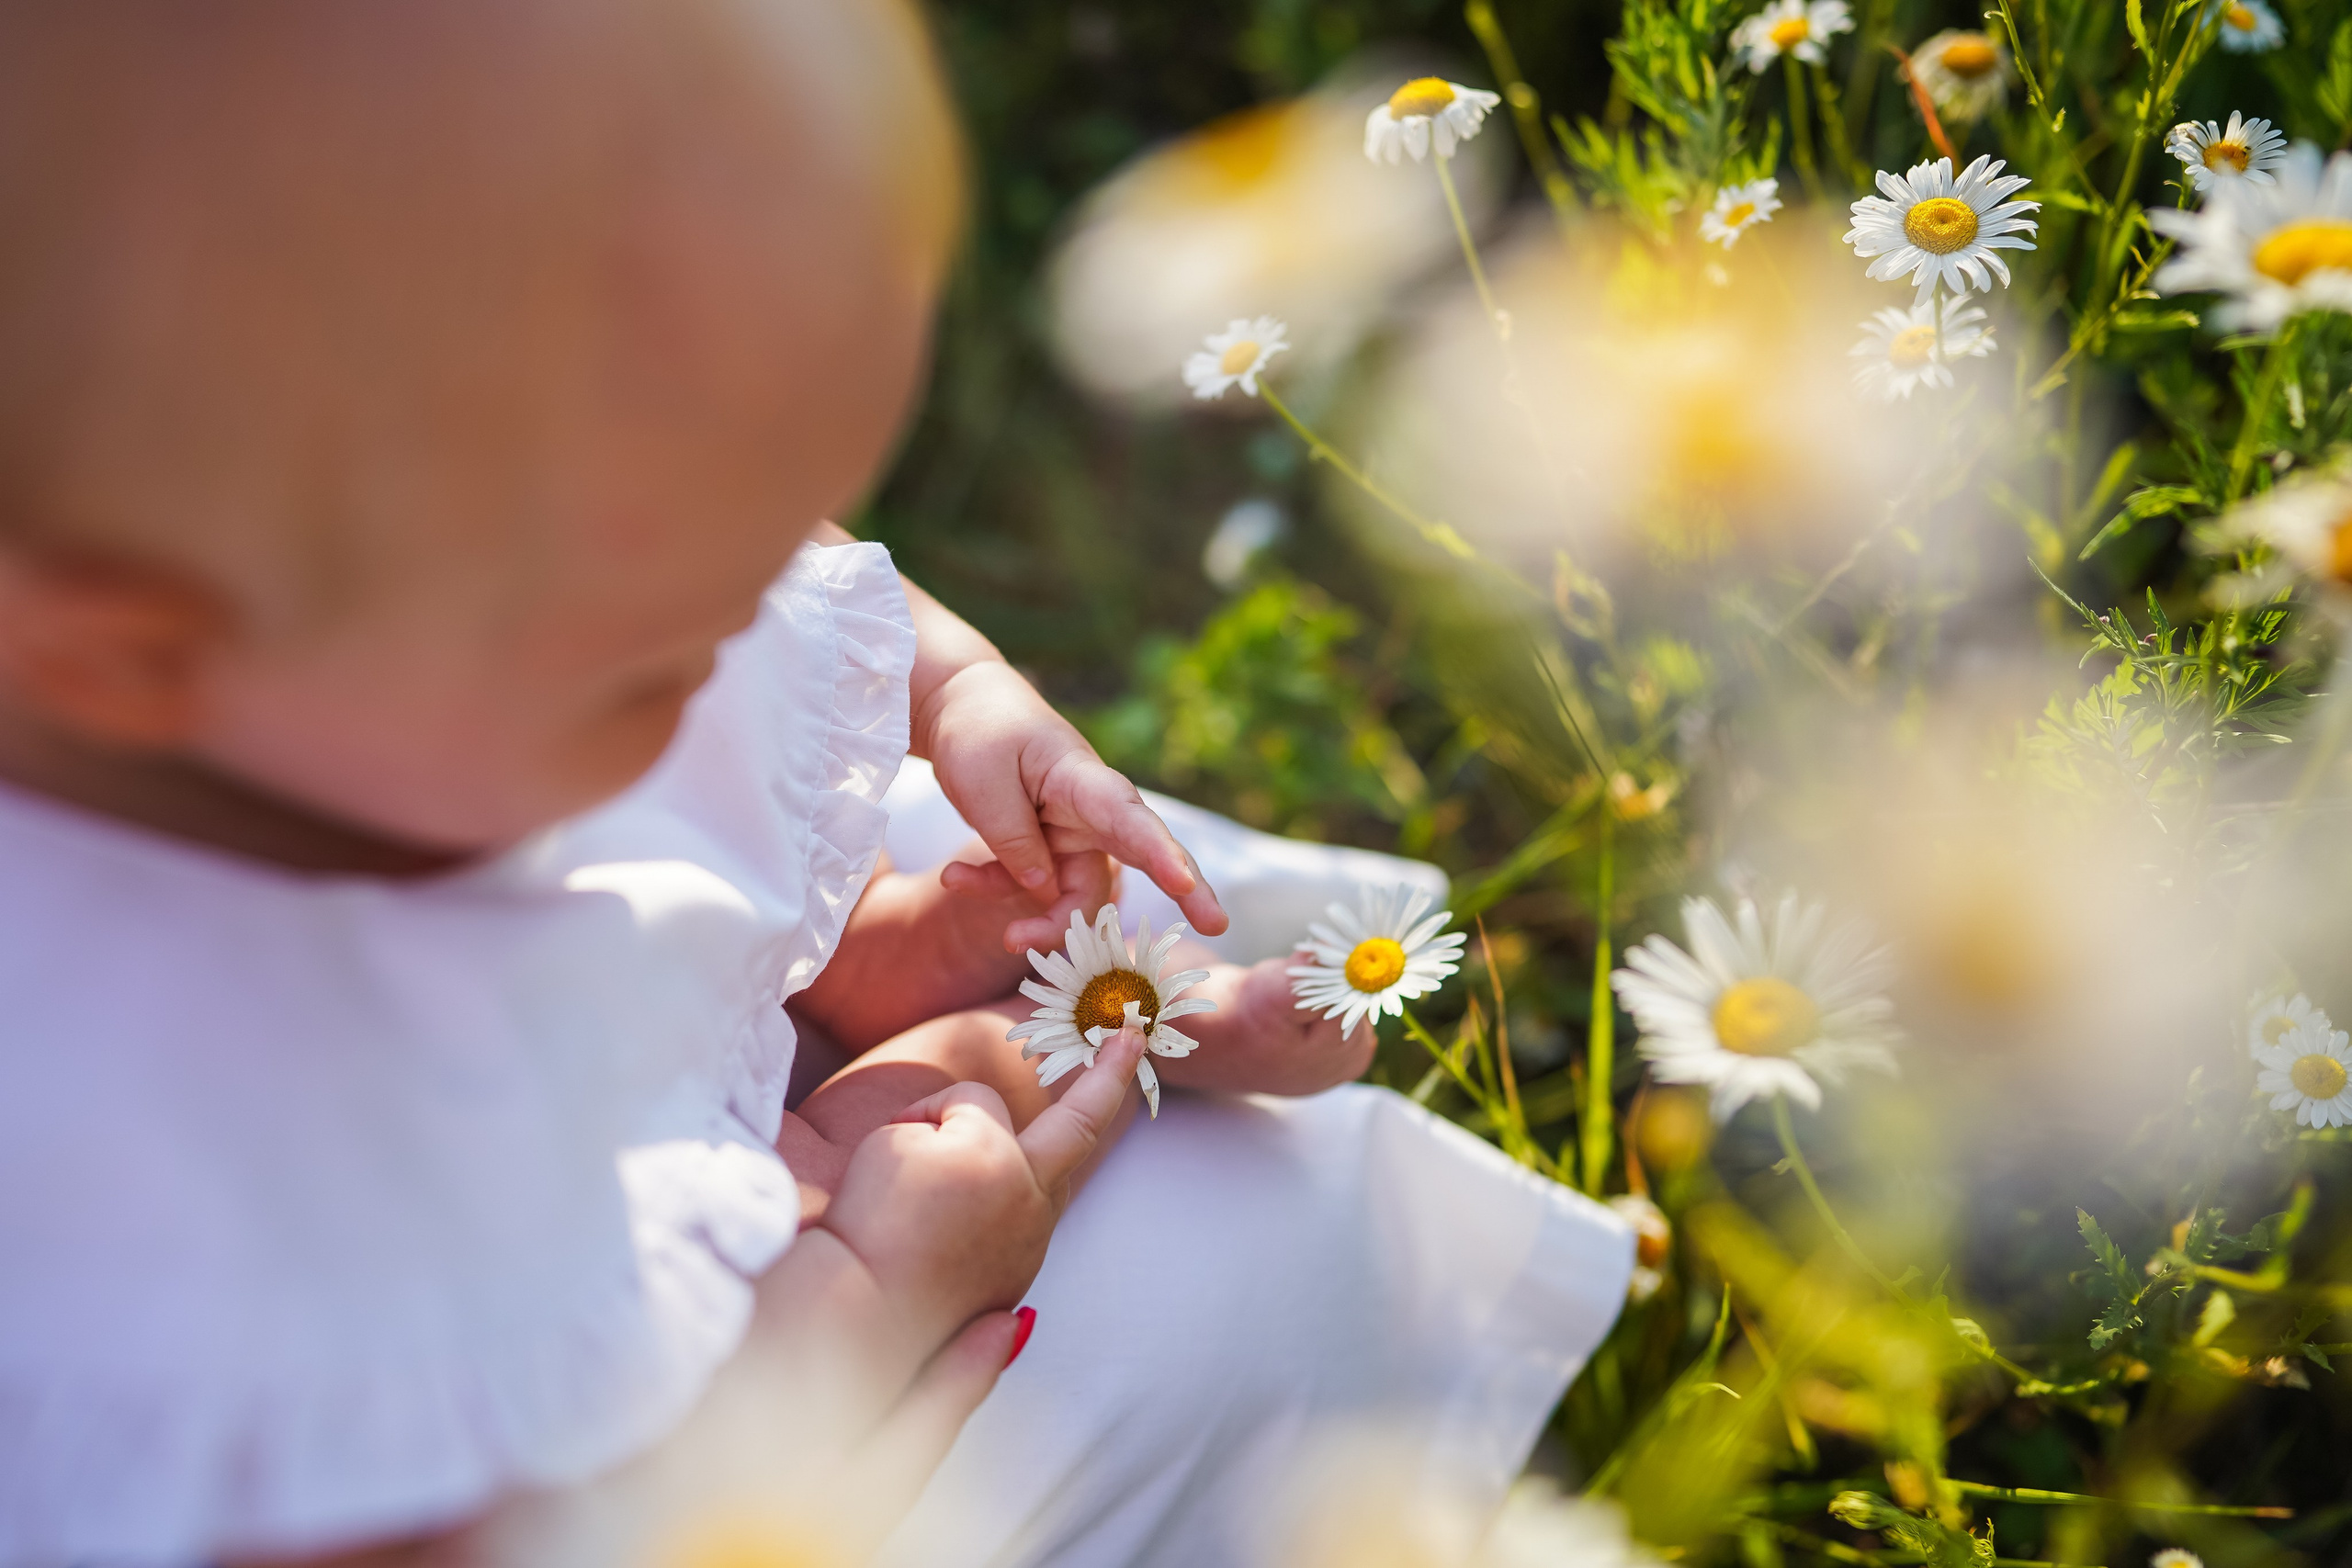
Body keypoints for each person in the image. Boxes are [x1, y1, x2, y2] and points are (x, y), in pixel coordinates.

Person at [0, 3, 1633, 1564]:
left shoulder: (310, 635)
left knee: (923, 846)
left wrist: (962, 693)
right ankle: (1064, 1048)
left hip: (562, 1027)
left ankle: (997, 990)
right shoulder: (165, 1231)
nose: (763, 620)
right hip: (639, 1387)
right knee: (1227, 1249)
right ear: (134, 650)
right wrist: (865, 1299)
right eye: (662, 642)